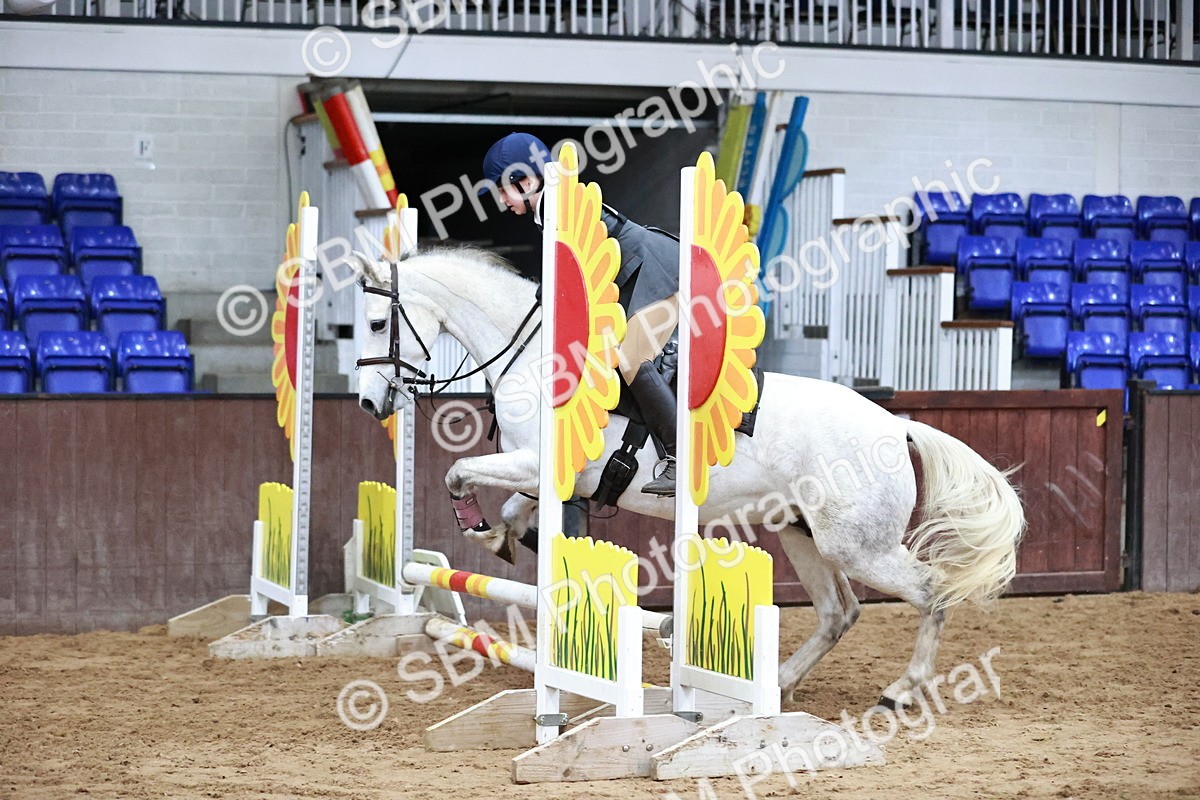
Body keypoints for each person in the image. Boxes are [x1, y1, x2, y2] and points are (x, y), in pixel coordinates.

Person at [482, 132, 680, 497]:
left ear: (525, 181)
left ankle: (679, 458)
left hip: (660, 273)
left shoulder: (562, 207)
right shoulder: (551, 210)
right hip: (637, 282)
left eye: (502, 190)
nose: (501, 201)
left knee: (631, 358)